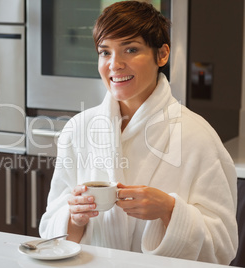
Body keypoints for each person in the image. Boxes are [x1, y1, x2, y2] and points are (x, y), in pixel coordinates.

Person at [39, 1, 238, 265]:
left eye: (130, 49)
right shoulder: (78, 130)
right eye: (104, 52)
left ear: (162, 55)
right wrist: (74, 218)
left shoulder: (197, 137)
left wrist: (169, 210)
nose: (114, 64)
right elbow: (50, 230)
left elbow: (223, 247)